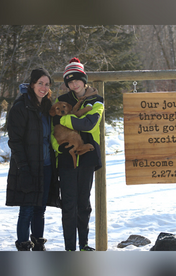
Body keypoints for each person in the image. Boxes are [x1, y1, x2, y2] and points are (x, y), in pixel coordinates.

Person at [51, 57, 104, 251]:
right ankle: (69, 248)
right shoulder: (61, 101)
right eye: (70, 81)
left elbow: (88, 124)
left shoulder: (97, 100)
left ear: (84, 79)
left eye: (77, 80)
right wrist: (58, 148)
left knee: (84, 202)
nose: (74, 84)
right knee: (69, 204)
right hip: (66, 156)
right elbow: (53, 129)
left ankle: (84, 244)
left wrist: (66, 119)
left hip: (87, 158)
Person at [6, 68, 61, 251]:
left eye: (47, 84)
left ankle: (38, 242)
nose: (44, 88)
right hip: (28, 167)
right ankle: (23, 246)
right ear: (32, 84)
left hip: (45, 166)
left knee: (40, 209)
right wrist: (23, 168)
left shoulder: (47, 108)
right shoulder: (21, 107)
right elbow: (15, 141)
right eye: (40, 83)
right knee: (27, 210)